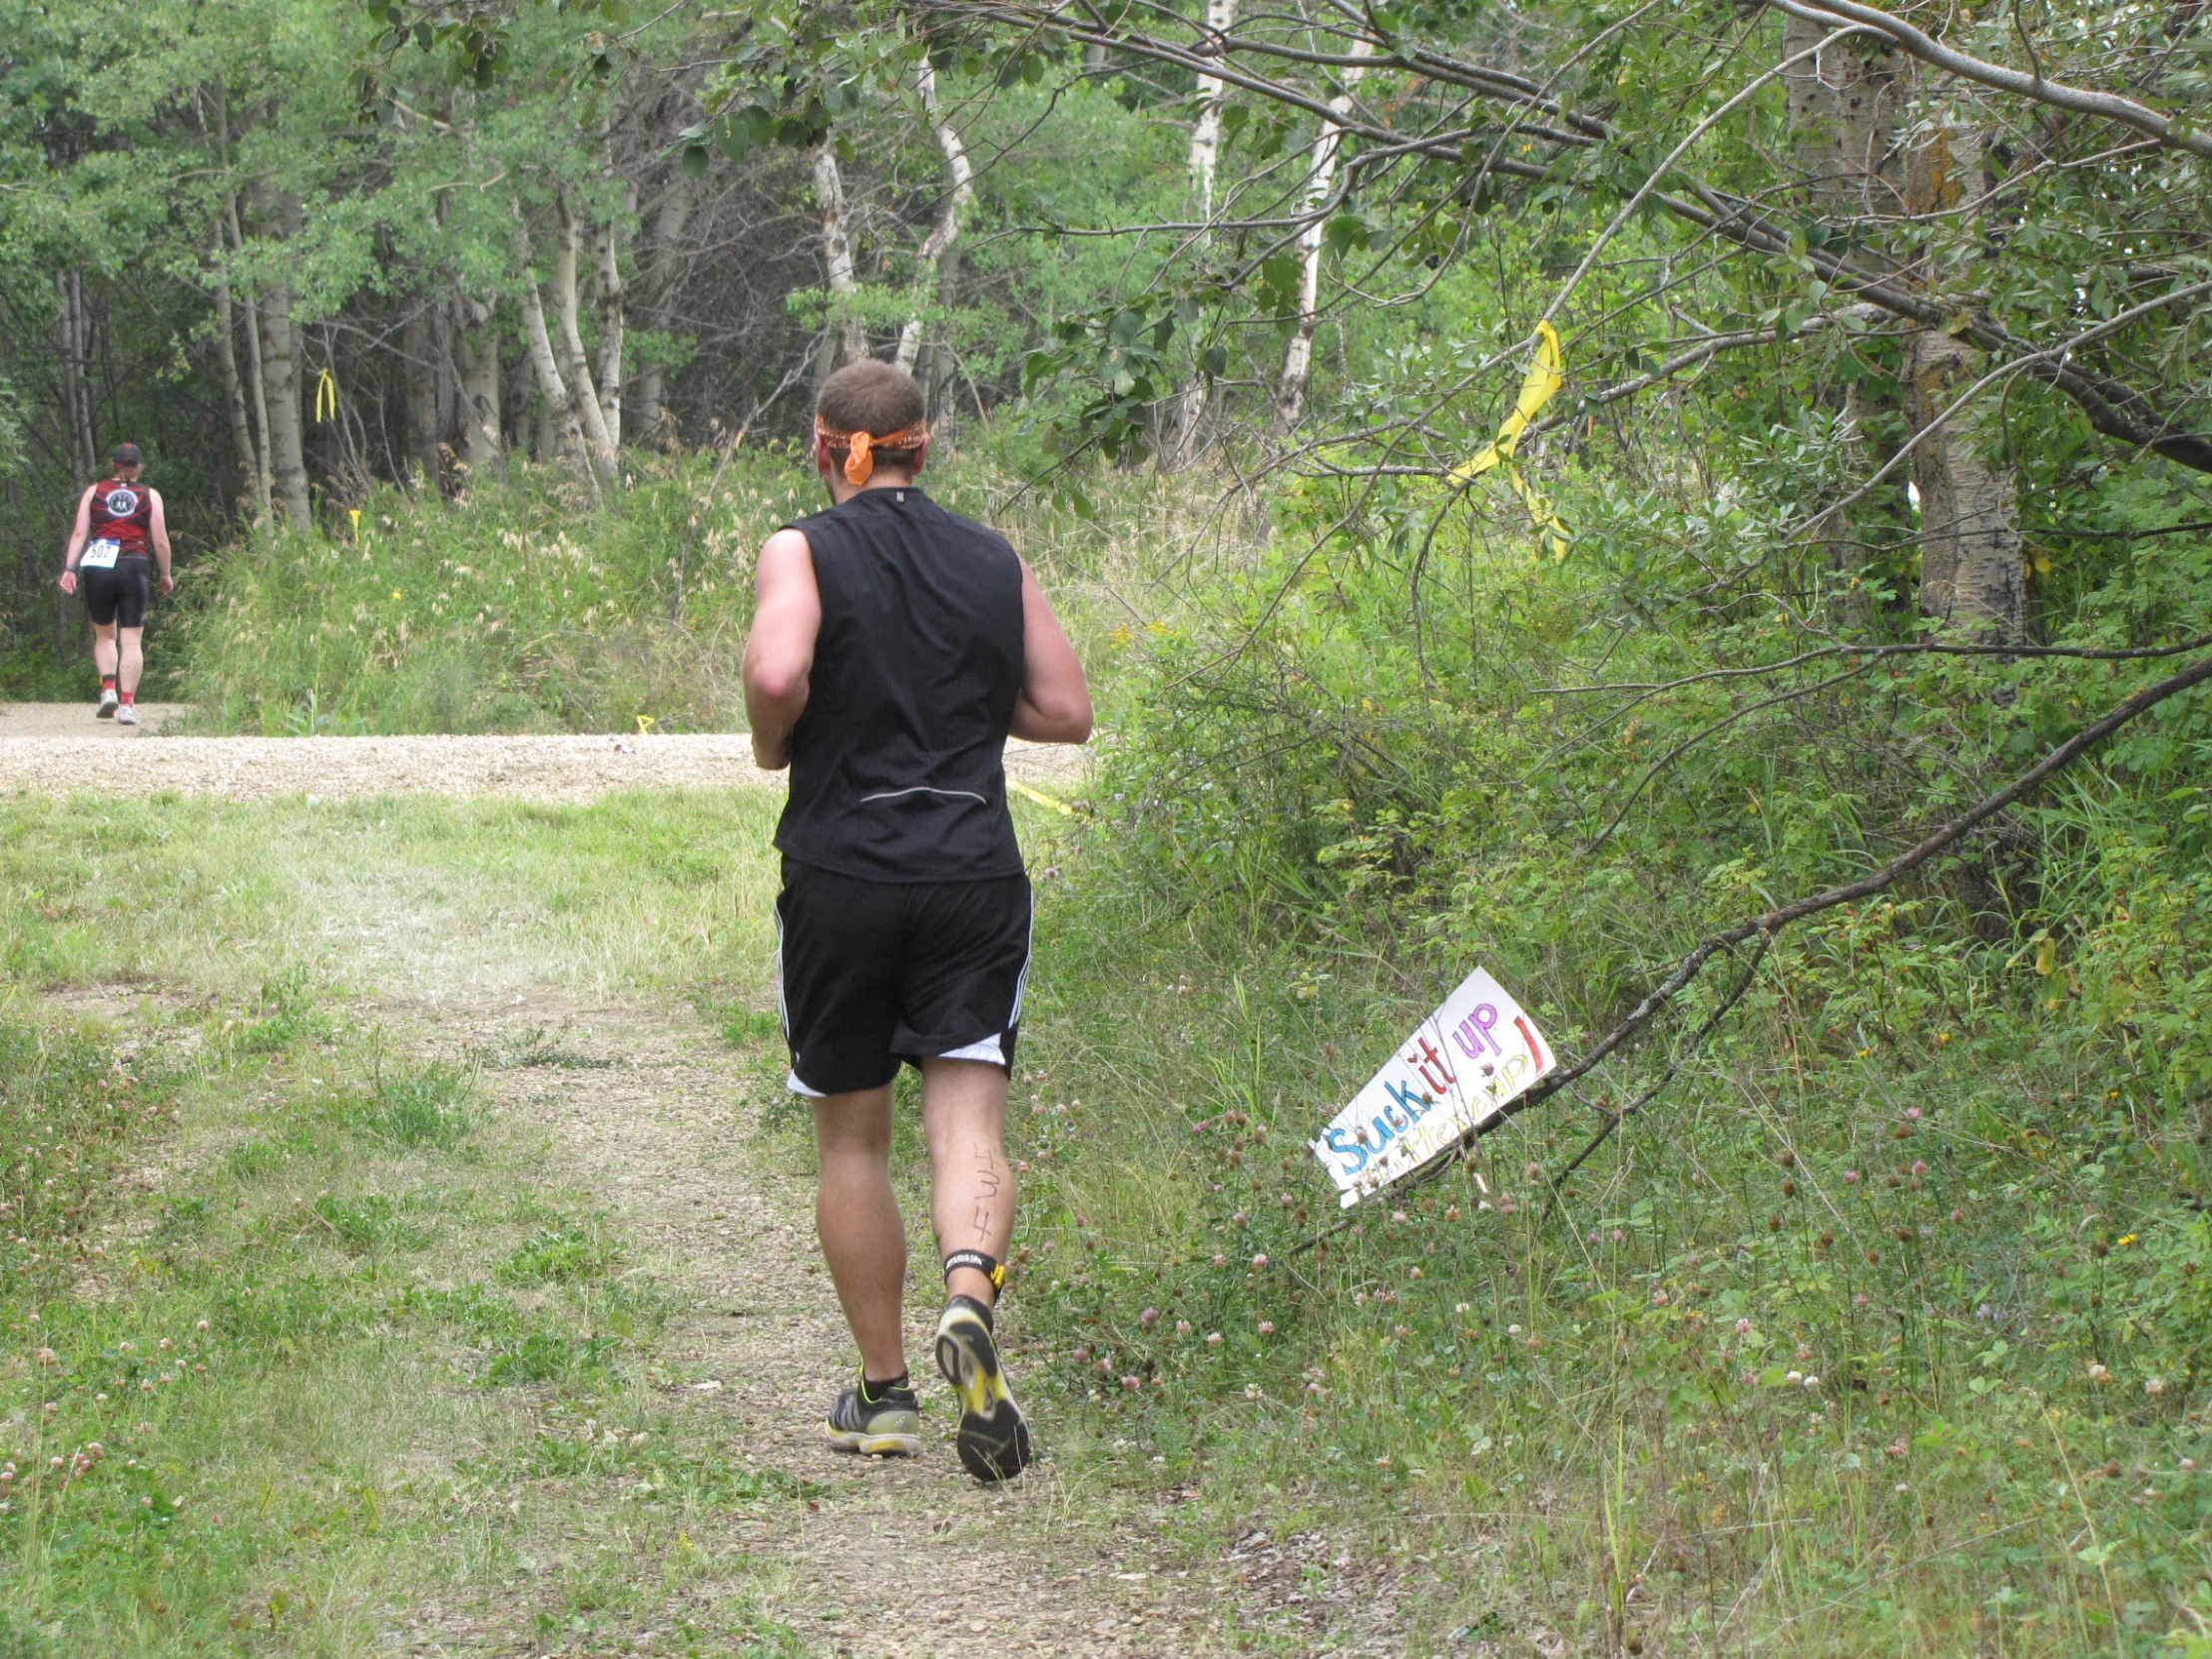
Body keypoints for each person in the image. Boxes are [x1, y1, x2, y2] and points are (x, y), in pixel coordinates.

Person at [742, 361, 1092, 1483]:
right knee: (968, 1126)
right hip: (972, 876)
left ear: (822, 447)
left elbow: (776, 663)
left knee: (851, 1139)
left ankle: (885, 1395)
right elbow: (1066, 712)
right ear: (921, 449)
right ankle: (967, 1302)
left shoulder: (800, 549)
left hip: (842, 873)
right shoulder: (993, 558)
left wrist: (772, 740)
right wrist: (955, 711)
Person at [57, 443, 174, 725]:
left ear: (114, 465)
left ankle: (108, 689)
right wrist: (165, 574)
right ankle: (127, 705)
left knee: (105, 635)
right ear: (140, 467)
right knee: (131, 639)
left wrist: (69, 568)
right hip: (133, 563)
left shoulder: (94, 492)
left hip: (99, 563)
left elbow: (79, 533)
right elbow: (159, 539)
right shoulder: (150, 495)